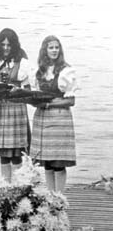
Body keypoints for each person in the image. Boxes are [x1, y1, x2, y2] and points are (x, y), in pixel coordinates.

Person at [30, 35, 78, 193]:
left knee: (59, 162)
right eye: (51, 47)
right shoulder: (39, 71)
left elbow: (70, 101)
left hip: (60, 118)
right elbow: (34, 96)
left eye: (57, 47)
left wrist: (49, 103)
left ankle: (59, 198)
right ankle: (50, 197)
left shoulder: (66, 70)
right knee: (48, 162)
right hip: (42, 119)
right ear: (45, 50)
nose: (54, 50)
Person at [0, 28, 31, 182]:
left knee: (16, 152)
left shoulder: (22, 63)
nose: (6, 48)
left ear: (14, 46)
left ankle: (18, 185)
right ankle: (5, 186)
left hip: (16, 108)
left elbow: (28, 90)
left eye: (9, 45)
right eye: (3, 45)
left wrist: (18, 91)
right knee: (3, 152)